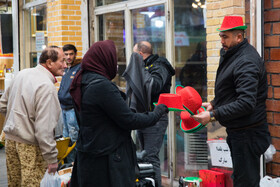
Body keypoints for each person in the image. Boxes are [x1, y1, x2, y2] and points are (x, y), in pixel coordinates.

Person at [69, 40, 169, 187]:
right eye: (113, 58)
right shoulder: (101, 86)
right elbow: (129, 120)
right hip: (106, 160)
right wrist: (157, 112)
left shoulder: (82, 81)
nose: (115, 64)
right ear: (105, 59)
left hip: (89, 155)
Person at [191, 16, 271, 186]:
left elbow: (246, 103)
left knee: (245, 182)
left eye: (225, 37)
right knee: (241, 179)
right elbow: (232, 89)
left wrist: (213, 115)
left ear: (239, 37)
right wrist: (215, 103)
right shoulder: (233, 54)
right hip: (240, 132)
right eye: (221, 36)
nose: (221, 41)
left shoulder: (246, 61)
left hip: (248, 134)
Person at [0, 46, 67, 186]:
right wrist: (52, 159)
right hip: (31, 147)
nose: (65, 65)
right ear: (49, 63)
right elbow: (44, 129)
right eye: (62, 61)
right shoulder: (46, 87)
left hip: (11, 142)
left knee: (15, 183)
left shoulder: (22, 74)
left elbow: (3, 105)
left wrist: (17, 123)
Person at [129, 41, 175, 187]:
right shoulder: (146, 66)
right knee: (142, 156)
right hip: (143, 116)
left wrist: (140, 69)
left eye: (134, 55)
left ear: (140, 54)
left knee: (151, 157)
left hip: (156, 118)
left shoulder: (160, 66)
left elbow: (155, 86)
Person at [58, 44, 81, 163]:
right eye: (66, 54)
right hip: (64, 109)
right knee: (66, 138)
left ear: (75, 54)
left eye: (71, 54)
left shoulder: (79, 68)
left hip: (72, 109)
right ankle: (69, 165)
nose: (68, 57)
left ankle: (75, 165)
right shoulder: (67, 69)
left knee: (74, 138)